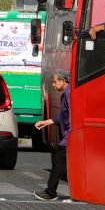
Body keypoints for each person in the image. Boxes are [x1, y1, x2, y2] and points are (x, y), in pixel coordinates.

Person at [33, 69, 71, 201]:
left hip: (70, 135)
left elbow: (72, 116)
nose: (53, 85)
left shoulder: (69, 94)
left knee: (58, 160)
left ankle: (50, 192)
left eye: (55, 82)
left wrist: (69, 136)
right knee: (60, 160)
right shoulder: (65, 94)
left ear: (63, 81)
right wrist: (46, 122)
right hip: (68, 135)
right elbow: (62, 116)